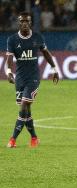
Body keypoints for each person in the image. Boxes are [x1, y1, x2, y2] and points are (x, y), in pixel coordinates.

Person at [5, 12, 59, 148]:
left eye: (27, 21)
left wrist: (54, 69)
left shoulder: (37, 37)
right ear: (18, 23)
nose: (24, 23)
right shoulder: (12, 40)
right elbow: (9, 59)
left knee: (24, 105)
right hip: (20, 79)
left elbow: (46, 53)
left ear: (30, 23)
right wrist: (9, 72)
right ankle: (34, 137)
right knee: (26, 110)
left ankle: (13, 139)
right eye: (21, 21)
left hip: (33, 78)